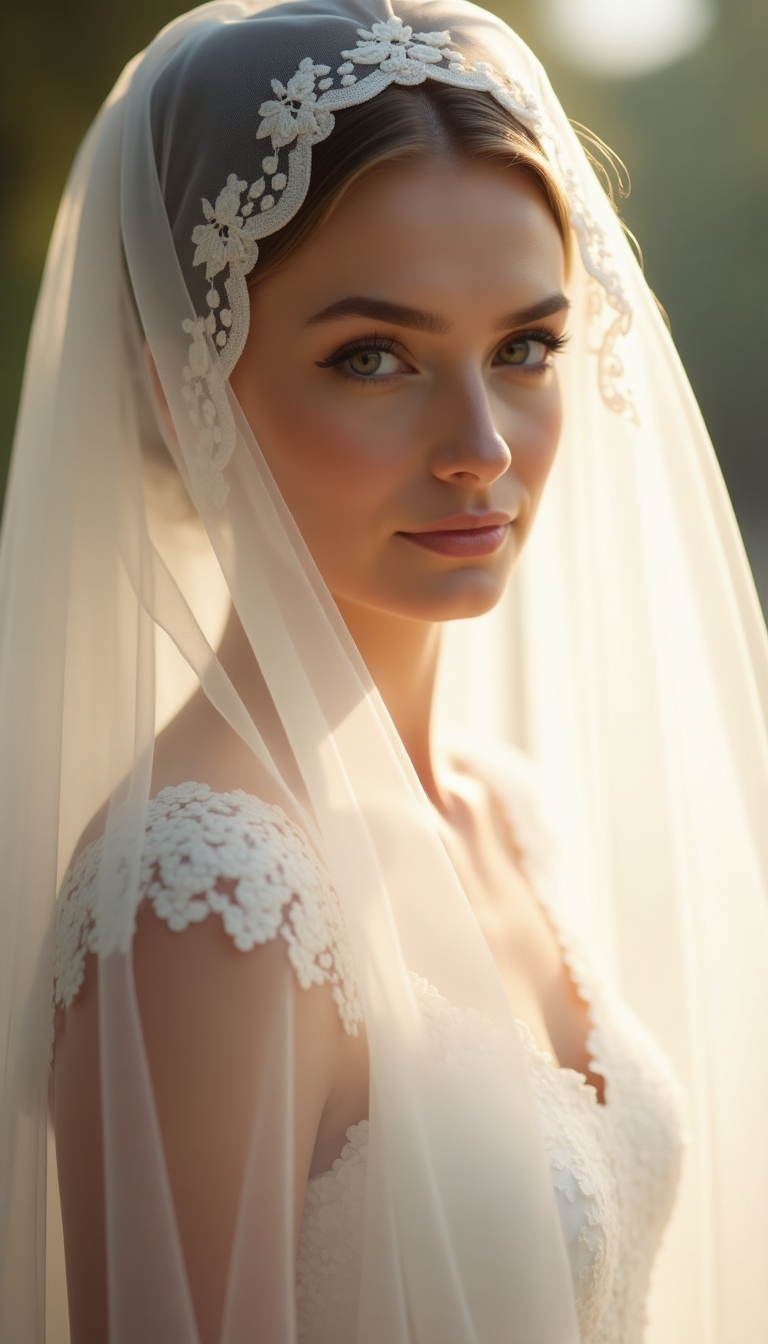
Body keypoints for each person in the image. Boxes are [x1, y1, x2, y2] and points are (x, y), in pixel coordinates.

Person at [1, 1, 768, 1341]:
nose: (483, 444)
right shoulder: (205, 900)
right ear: (185, 388)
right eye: (375, 357)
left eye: (525, 346)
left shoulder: (505, 810)